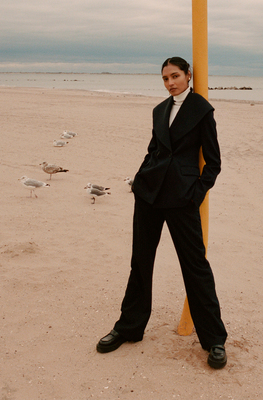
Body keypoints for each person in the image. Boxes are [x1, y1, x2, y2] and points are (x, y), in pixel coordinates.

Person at [96, 57, 228, 369]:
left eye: (175, 76)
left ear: (188, 75)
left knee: (195, 266)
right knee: (140, 262)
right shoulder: (159, 110)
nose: (170, 83)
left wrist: (194, 195)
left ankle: (214, 340)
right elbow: (154, 148)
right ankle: (129, 328)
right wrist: (141, 178)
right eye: (165, 78)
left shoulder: (202, 110)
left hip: (181, 199)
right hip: (149, 194)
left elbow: (214, 162)